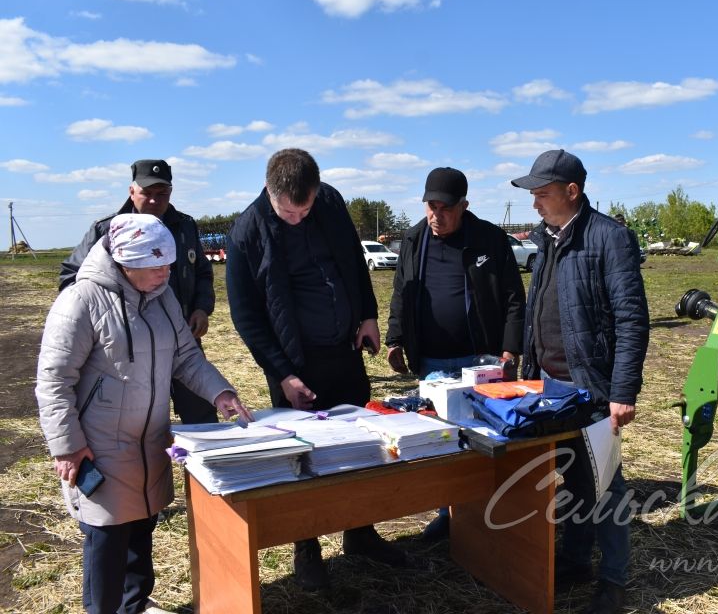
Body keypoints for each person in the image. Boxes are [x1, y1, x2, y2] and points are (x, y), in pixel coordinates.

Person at [36, 213, 253, 614]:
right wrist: (66, 446)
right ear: (125, 263)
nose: (165, 274)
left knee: (142, 526)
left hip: (149, 438)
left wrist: (220, 391)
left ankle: (134, 605)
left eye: (168, 266)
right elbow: (53, 380)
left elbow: (186, 356)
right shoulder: (81, 301)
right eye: (155, 267)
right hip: (98, 446)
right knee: (107, 538)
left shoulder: (163, 297)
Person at [225, 147, 405, 592]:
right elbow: (247, 317)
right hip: (294, 367)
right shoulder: (247, 232)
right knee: (302, 458)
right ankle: (307, 551)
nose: (300, 218)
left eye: (306, 208)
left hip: (343, 350)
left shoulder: (329, 202)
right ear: (271, 192)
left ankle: (360, 532)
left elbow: (352, 263)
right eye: (290, 211)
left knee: (363, 447)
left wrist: (367, 314)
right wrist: (283, 374)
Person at [512, 149, 649, 614]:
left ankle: (614, 582)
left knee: (606, 485)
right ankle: (574, 559)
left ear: (572, 191)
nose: (535, 204)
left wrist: (623, 391)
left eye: (543, 194)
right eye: (533, 195)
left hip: (592, 388)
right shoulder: (548, 239)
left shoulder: (610, 238)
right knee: (571, 480)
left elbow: (632, 319)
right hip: (547, 388)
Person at [385, 166, 526, 540]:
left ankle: (488, 511)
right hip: (431, 361)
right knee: (439, 440)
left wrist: (511, 350)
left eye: (445, 207)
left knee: (484, 438)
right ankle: (447, 513)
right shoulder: (415, 240)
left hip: (480, 361)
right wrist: (396, 338)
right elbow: (402, 292)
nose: (437, 214)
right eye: (431, 205)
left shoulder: (490, 240)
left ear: (464, 205)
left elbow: (514, 298)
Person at [59, 159, 219, 425]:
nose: (155, 201)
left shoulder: (185, 227)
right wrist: (105, 320)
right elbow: (71, 279)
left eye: (162, 194)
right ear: (132, 191)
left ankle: (197, 467)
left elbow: (202, 272)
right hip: (129, 349)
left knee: (202, 419)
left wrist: (202, 308)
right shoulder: (107, 229)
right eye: (147, 193)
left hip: (183, 340)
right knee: (139, 425)